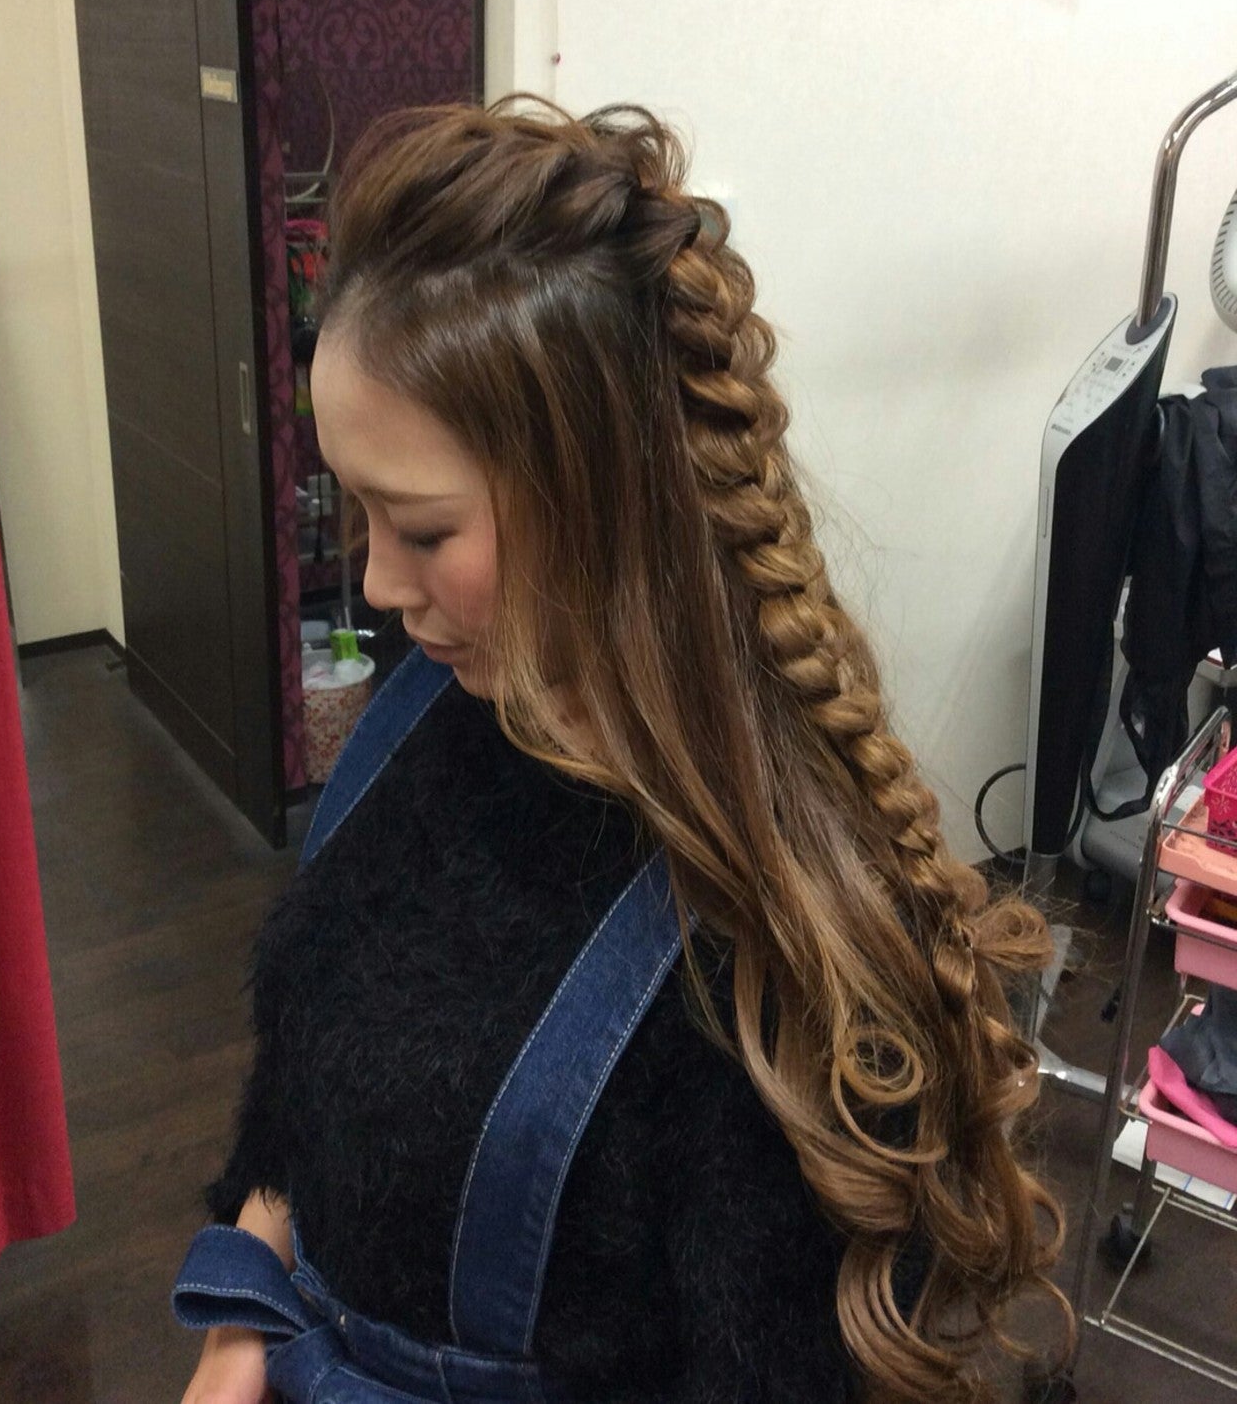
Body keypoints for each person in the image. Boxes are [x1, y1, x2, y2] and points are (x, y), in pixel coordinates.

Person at [176, 98, 1069, 1404]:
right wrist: (238, 1333)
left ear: (607, 506)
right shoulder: (436, 711)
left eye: (423, 531)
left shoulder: (770, 985)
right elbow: (302, 1098)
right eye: (357, 511)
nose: (377, 585)